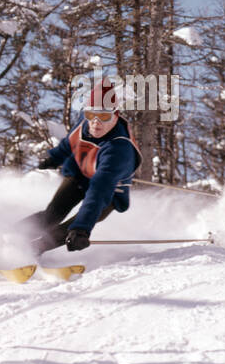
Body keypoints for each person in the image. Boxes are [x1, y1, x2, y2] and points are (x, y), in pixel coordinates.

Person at [24, 82, 142, 253]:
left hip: (108, 190)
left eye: (104, 116)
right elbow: (70, 142)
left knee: (72, 226)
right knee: (52, 214)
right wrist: (55, 157)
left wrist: (82, 228)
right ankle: (12, 235)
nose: (96, 122)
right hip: (80, 174)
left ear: (115, 116)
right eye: (91, 114)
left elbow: (98, 192)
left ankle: (31, 250)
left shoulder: (119, 150)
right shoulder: (85, 122)